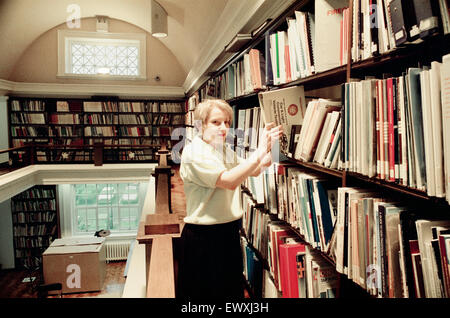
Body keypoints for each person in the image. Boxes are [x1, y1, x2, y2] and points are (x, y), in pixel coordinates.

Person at [176, 99, 283, 298]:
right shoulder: (194, 152)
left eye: (227, 122)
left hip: (228, 232)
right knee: (204, 297)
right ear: (200, 125)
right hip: (204, 238)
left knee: (230, 292)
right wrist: (259, 151)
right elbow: (230, 181)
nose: (224, 128)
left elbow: (255, 169)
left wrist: (271, 146)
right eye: (216, 122)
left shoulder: (222, 149)